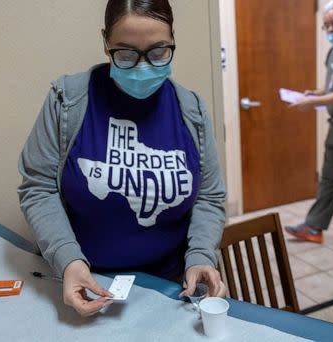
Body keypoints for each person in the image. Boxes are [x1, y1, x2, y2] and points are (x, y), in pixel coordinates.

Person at [17, 0, 227, 317]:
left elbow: (209, 196)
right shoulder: (68, 101)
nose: (143, 66)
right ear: (106, 43)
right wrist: (68, 260)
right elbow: (38, 188)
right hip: (87, 280)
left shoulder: (192, 110)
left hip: (172, 286)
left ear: (172, 40)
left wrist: (200, 256)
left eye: (158, 52)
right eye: (126, 54)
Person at [285, 0, 333, 250]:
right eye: (327, 26)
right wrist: (315, 93)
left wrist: (314, 103)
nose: (332, 29)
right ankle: (314, 227)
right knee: (329, 180)